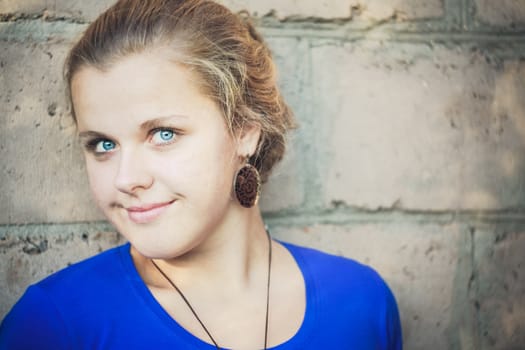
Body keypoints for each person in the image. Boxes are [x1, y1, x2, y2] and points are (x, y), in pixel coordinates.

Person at [0, 0, 402, 349]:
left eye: (163, 134)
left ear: (245, 128)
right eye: (103, 144)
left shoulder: (361, 303)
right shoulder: (56, 324)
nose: (125, 179)